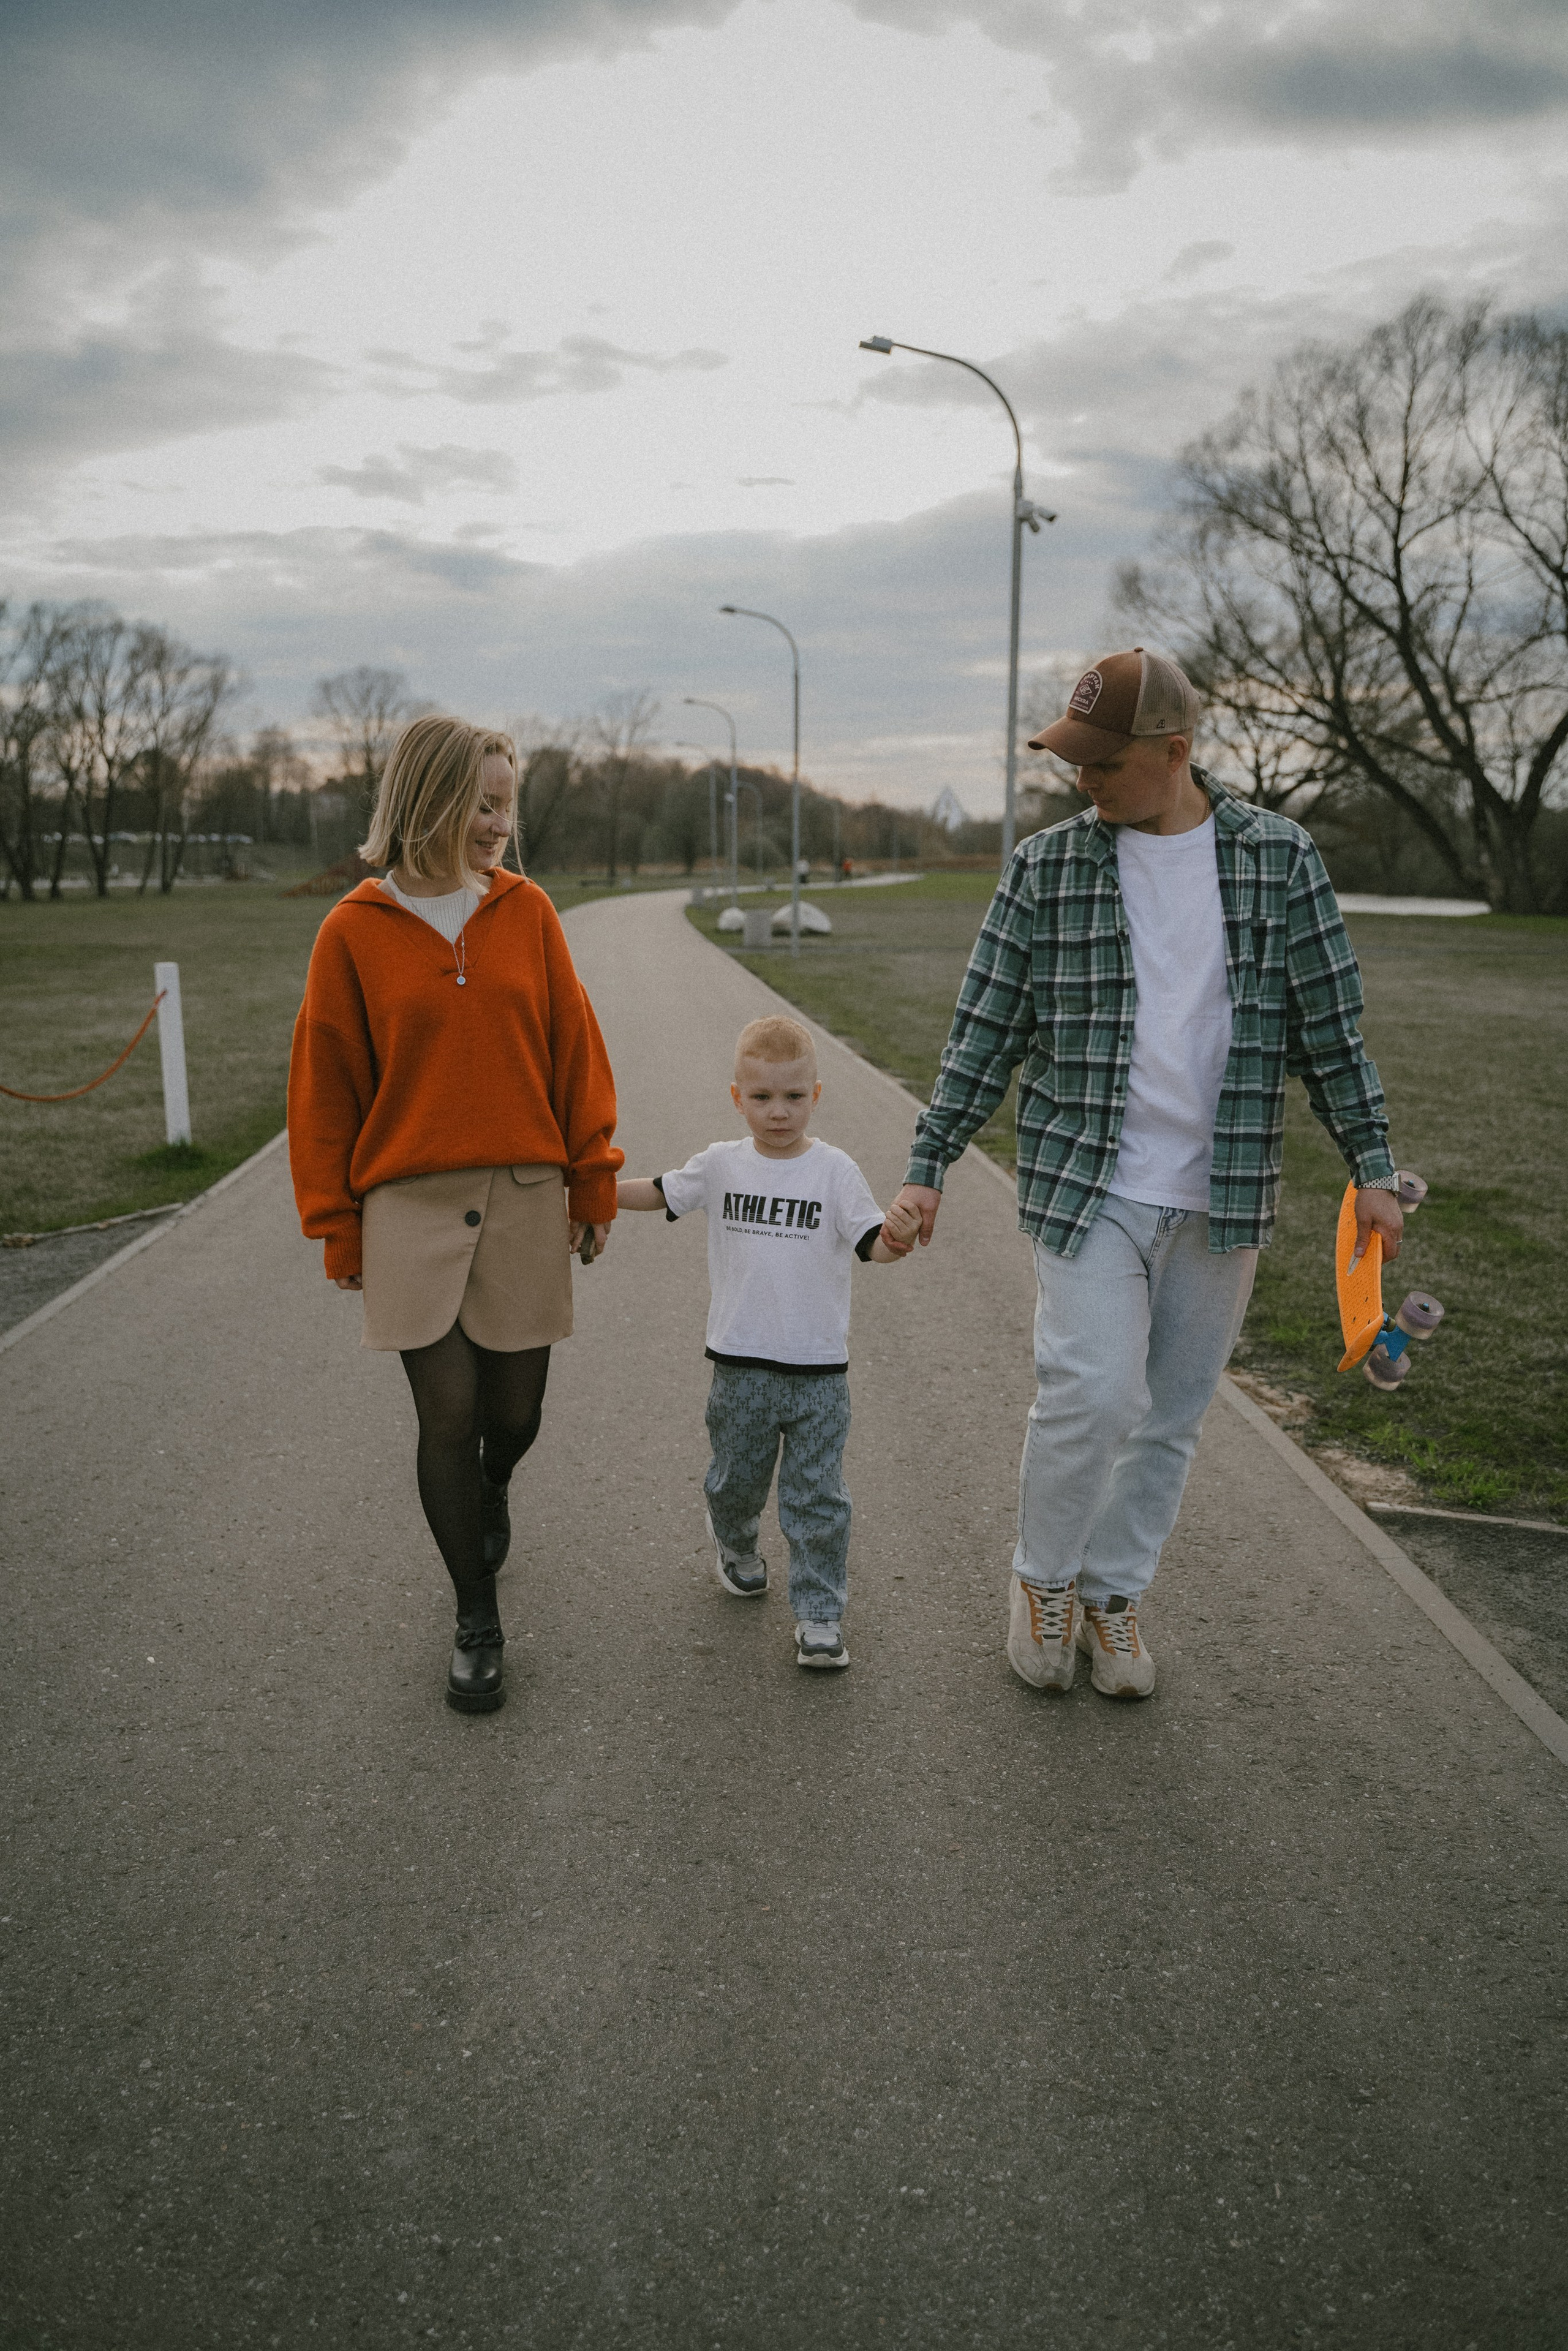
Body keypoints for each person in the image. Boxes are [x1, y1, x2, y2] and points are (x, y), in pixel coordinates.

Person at [886, 647, 1405, 1700]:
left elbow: (1333, 1034)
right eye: (1074, 760)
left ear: (1175, 753)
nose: (1084, 781)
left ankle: (1111, 1599)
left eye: (1105, 763)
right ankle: (1043, 1582)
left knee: (1169, 1412)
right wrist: (931, 1159)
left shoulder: (1280, 859)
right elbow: (987, 1027)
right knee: (1092, 1388)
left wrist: (1376, 1165)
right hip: (1090, 1179)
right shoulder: (1048, 867)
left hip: (1225, 1191)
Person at [287, 715, 621, 1716]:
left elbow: (575, 1049)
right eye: (484, 803)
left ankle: (495, 1486)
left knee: (512, 1417)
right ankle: (477, 1618)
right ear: (429, 800)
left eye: (507, 804)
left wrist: (593, 1178)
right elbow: (326, 1087)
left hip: (524, 1195)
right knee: (449, 1413)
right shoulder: (352, 929)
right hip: (408, 1208)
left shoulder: (528, 912)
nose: (499, 824)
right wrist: (336, 1224)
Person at [617, 1014, 920, 1670]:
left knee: (817, 1497)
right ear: (737, 1098)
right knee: (737, 1479)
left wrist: (898, 1235)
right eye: (761, 1097)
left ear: (816, 1094)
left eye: (792, 1096)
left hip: (819, 1373)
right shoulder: (722, 1164)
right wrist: (591, 1195)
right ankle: (733, 1540)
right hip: (741, 1366)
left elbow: (876, 1245)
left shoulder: (835, 1171)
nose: (777, 1112)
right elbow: (662, 1190)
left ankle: (818, 1615)